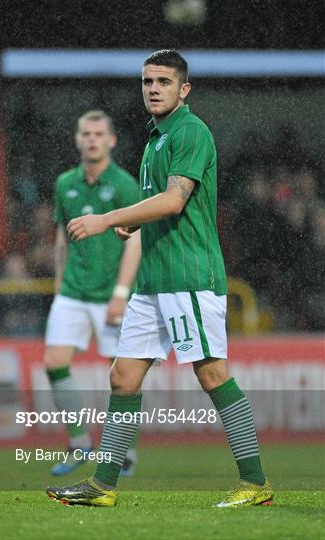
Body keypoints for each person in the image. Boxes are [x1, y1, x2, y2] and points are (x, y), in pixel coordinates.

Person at [47, 50, 273, 508]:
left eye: (164, 82)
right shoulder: (155, 138)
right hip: (152, 282)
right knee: (123, 376)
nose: (153, 88)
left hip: (188, 276)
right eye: (147, 81)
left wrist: (108, 219)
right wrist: (135, 222)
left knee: (212, 376)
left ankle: (256, 483)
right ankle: (103, 485)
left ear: (183, 89)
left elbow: (173, 201)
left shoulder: (190, 130)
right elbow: (160, 206)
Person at [44, 110, 141, 476]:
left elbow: (136, 240)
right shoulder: (64, 183)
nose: (92, 139)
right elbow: (61, 239)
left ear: (112, 140)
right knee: (54, 363)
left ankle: (124, 451)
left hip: (110, 293)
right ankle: (79, 444)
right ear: (77, 138)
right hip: (72, 290)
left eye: (99, 133)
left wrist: (121, 292)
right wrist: (58, 286)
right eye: (86, 133)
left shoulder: (124, 184)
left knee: (121, 374)